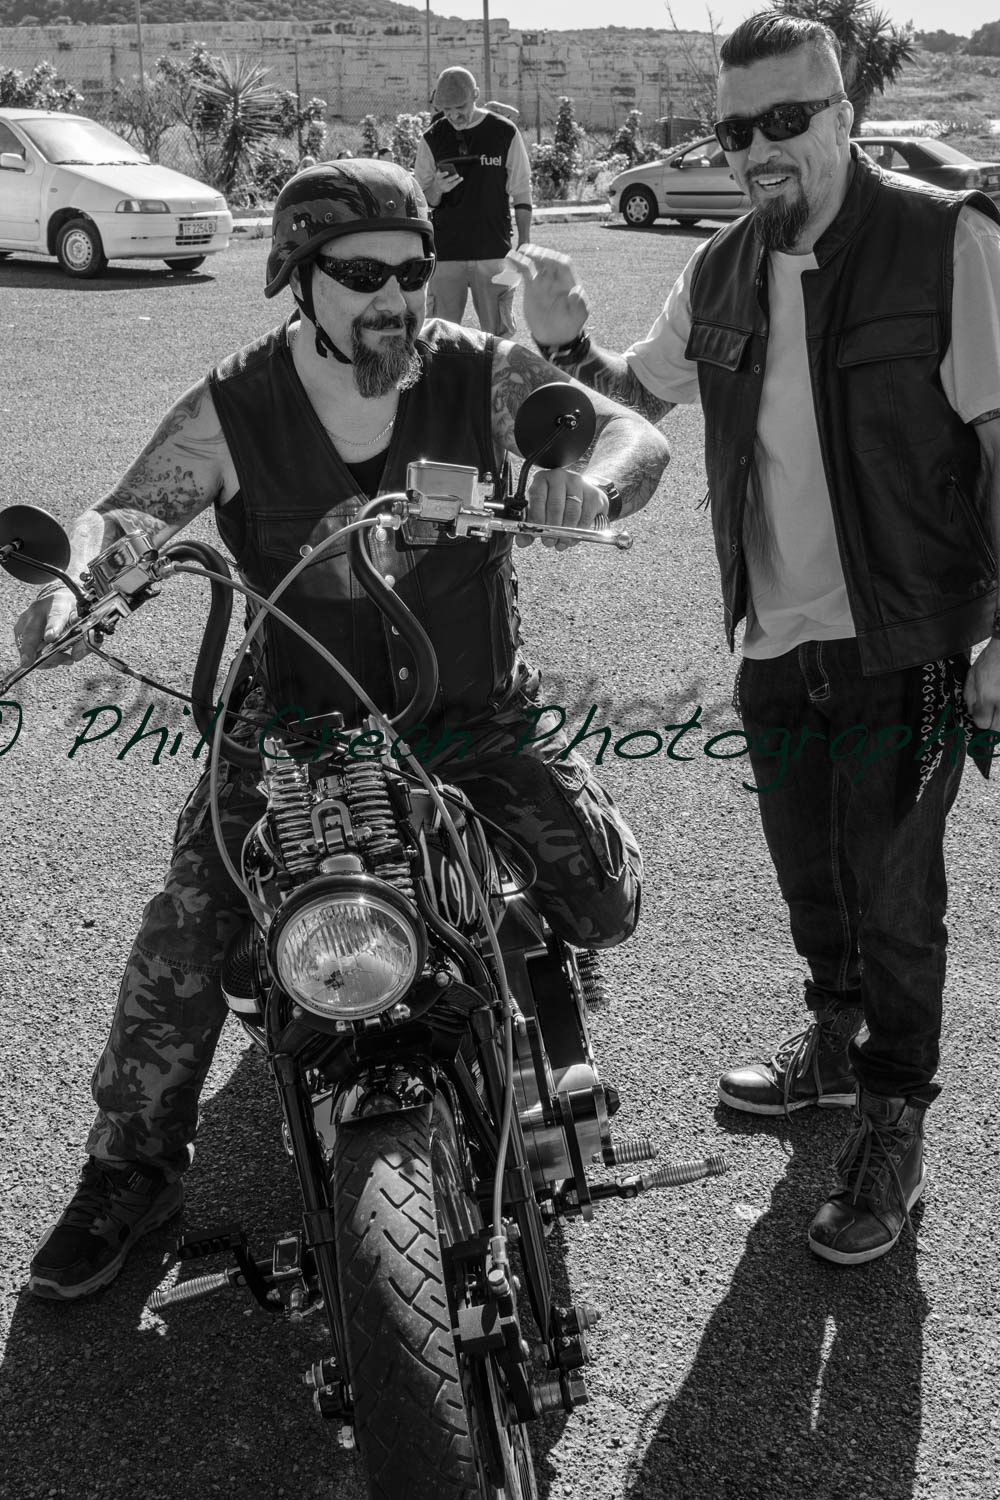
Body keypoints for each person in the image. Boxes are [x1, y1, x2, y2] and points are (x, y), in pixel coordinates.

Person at [15, 158, 670, 1301]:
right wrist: (78, 590)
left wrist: (592, 486)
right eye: (363, 275)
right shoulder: (236, 405)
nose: (395, 298)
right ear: (297, 277)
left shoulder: (479, 372)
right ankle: (130, 1168)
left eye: (412, 272)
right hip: (297, 721)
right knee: (191, 925)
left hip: (472, 711)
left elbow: (629, 438)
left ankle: (519, 950)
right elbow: (126, 515)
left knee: (603, 904)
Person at [511, 11, 1000, 1266]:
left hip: (908, 632)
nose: (759, 148)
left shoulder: (945, 242)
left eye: (786, 119)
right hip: (774, 636)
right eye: (736, 129)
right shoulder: (722, 268)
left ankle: (892, 1123)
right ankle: (835, 1043)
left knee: (896, 894)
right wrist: (564, 339)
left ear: (843, 112)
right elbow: (633, 400)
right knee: (809, 872)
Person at [414, 66, 533, 337]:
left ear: (476, 95)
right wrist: (437, 189)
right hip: (446, 254)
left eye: (461, 107)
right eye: (447, 110)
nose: (454, 116)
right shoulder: (431, 138)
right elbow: (423, 200)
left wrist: (525, 240)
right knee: (439, 337)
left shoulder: (505, 132)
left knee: (498, 337)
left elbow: (521, 190)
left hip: (493, 251)